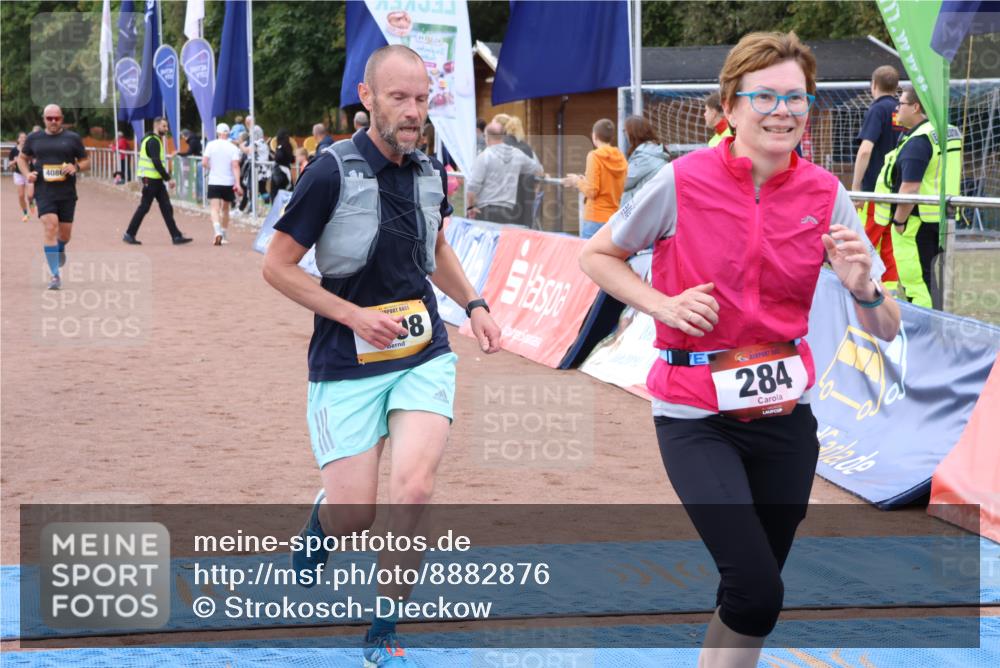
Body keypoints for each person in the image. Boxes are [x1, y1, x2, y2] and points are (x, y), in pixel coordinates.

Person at [578, 32, 900, 667]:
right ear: (730, 107)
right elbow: (596, 255)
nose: (783, 112)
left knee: (749, 598)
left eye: (796, 98)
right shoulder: (680, 180)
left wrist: (864, 289)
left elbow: (887, 326)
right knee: (757, 588)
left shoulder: (826, 194)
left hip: (786, 419)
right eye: (765, 97)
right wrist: (661, 305)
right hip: (697, 418)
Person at [262, 44, 501, 667]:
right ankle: (321, 526)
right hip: (346, 358)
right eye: (399, 97)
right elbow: (277, 266)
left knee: (414, 490)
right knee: (354, 514)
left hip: (423, 351)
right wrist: (352, 317)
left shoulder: (429, 169)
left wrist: (473, 304)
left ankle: (384, 623)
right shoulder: (330, 171)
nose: (413, 110)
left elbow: (438, 245)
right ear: (367, 99)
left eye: (421, 99)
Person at [873, 85, 962, 309]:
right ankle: (939, 324)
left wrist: (899, 221)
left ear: (915, 107)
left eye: (900, 104)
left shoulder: (918, 141)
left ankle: (929, 330)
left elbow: (910, 188)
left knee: (917, 282)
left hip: (915, 223)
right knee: (932, 279)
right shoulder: (946, 131)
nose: (897, 108)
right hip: (940, 218)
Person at [16, 104, 90, 290]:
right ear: (44, 119)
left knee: (64, 233)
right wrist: (27, 175)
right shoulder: (34, 138)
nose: (53, 121)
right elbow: (22, 159)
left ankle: (60, 246)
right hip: (44, 191)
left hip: (66, 193)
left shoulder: (72, 138)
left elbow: (86, 161)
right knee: (50, 226)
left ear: (62, 119)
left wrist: (76, 167)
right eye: (49, 118)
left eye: (56, 118)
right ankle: (55, 275)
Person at [853, 65, 902, 292]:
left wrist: (856, 189)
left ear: (874, 85)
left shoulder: (877, 110)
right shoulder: (903, 111)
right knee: (889, 244)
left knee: (866, 241)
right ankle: (889, 291)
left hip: (875, 189)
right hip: (897, 191)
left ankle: (863, 287)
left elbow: (865, 150)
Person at [122, 117, 193, 245]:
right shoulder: (153, 141)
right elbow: (156, 162)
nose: (166, 129)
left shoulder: (153, 140)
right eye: (164, 126)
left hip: (155, 180)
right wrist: (168, 178)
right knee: (144, 207)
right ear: (157, 126)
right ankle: (129, 233)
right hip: (151, 179)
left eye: (166, 126)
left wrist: (163, 178)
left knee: (166, 207)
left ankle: (176, 236)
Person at [466, 121, 543, 225]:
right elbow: (538, 169)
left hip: (485, 210)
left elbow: (472, 186)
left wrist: (470, 207)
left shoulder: (484, 156)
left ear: (487, 137)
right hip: (508, 211)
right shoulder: (517, 154)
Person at [563, 118, 627, 239]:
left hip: (595, 218)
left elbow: (592, 191)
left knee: (587, 256)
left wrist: (577, 182)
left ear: (594, 136)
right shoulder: (621, 157)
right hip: (613, 218)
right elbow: (613, 185)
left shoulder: (594, 156)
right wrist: (585, 180)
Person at [201, 122, 243, 246]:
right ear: (228, 133)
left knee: (214, 208)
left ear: (218, 133)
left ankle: (217, 231)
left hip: (214, 181)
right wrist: (238, 183)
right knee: (225, 209)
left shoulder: (211, 145)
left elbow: (204, 162)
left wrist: (211, 168)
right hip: (228, 182)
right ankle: (224, 234)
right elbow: (235, 166)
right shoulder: (233, 148)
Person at [621, 115, 670, 208]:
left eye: (625, 131)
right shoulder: (655, 150)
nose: (625, 134)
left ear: (633, 132)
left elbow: (623, 183)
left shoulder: (644, 157)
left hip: (641, 210)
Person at [8, 132, 35, 221]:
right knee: (21, 195)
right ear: (18, 139)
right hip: (18, 174)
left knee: (30, 195)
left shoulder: (30, 149)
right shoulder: (14, 150)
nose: (23, 139)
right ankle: (25, 214)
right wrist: (15, 161)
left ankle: (31, 202)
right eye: (21, 137)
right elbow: (9, 164)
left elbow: (35, 160)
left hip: (29, 173)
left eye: (25, 137)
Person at [271, 128, 295, 194]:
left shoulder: (280, 146)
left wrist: (274, 156)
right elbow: (292, 160)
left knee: (276, 195)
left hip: (280, 173)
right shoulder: (289, 147)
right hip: (287, 172)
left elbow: (278, 158)